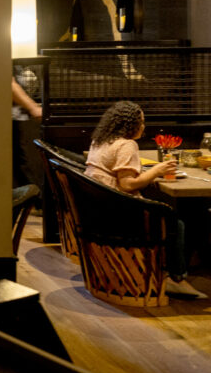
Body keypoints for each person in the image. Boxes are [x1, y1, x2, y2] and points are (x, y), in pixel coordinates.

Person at [84, 101, 205, 298]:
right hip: (119, 213)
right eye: (141, 122)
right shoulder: (126, 144)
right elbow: (127, 185)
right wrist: (157, 170)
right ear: (130, 125)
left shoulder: (100, 140)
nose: (143, 126)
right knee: (175, 222)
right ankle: (176, 277)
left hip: (98, 209)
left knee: (172, 215)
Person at [12, 70, 45, 189]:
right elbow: (10, 84)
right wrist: (33, 107)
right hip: (14, 119)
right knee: (24, 165)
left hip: (18, 117)